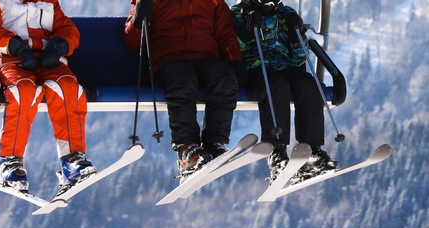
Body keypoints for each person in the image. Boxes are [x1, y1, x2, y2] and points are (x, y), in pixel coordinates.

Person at [0, 0, 96, 195]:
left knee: (68, 88)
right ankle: (9, 162)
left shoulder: (49, 3)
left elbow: (67, 28)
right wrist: (14, 46)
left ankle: (72, 160)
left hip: (48, 60)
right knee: (22, 91)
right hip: (12, 60)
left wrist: (59, 46)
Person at [124, 0, 246, 183]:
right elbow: (132, 41)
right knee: (183, 80)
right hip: (168, 61)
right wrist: (138, 17)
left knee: (224, 78)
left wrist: (234, 62)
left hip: (205, 58)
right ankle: (186, 148)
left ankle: (214, 143)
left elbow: (225, 34)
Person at [230, 0, 337, 184]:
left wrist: (296, 36)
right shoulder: (239, 13)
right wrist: (247, 32)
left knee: (309, 84)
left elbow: (299, 55)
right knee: (276, 85)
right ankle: (276, 150)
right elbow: (233, 48)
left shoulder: (285, 13)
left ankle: (311, 149)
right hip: (256, 65)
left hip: (286, 64)